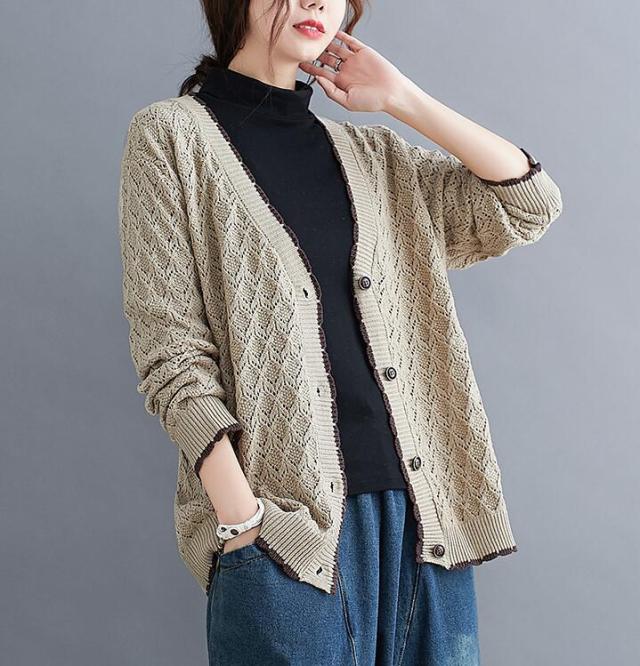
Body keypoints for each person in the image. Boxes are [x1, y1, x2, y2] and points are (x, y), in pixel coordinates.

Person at [118, 1, 563, 664]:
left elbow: (528, 204)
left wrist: (403, 99)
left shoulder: (374, 155)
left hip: (427, 523)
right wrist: (244, 521)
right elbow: (172, 355)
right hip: (287, 529)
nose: (316, 2)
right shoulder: (171, 138)